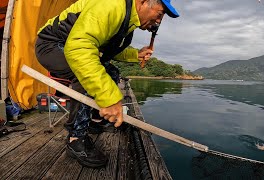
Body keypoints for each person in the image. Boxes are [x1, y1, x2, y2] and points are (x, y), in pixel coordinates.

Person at [35, 0, 179, 168]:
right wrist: (109, 98)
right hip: (52, 45)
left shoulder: (127, 23)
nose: (159, 21)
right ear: (143, 2)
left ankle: (97, 121)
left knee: (112, 73)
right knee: (85, 74)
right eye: (160, 14)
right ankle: (76, 139)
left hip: (72, 46)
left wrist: (136, 54)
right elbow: (79, 48)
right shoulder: (112, 4)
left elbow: (111, 50)